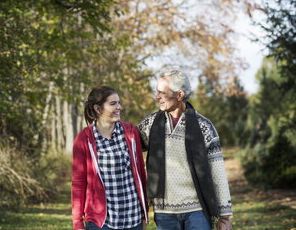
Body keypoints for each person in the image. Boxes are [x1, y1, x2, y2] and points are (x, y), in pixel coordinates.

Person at [137, 70, 233, 230]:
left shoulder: (204, 127)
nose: (157, 97)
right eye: (157, 92)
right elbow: (130, 147)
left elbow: (218, 172)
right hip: (164, 212)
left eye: (162, 92)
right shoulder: (151, 123)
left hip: (198, 211)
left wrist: (224, 217)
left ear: (179, 94)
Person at [72, 86, 149, 230]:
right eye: (113, 104)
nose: (119, 107)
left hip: (133, 219)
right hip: (101, 223)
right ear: (98, 109)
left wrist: (145, 213)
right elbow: (78, 184)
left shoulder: (131, 132)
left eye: (119, 103)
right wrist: (77, 223)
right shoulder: (84, 139)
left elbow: (140, 173)